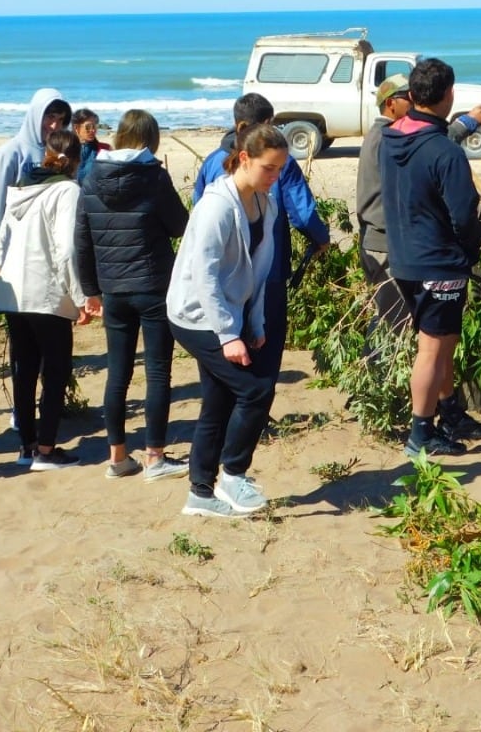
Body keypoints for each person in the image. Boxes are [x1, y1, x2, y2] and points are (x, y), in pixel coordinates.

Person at [168, 124, 287, 518]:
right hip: (194, 315)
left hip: (229, 312)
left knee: (217, 401)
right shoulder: (217, 206)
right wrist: (227, 334)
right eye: (269, 168)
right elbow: (204, 274)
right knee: (255, 390)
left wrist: (253, 323)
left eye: (280, 169)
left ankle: (200, 492)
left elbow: (259, 271)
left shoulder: (265, 204)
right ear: (245, 159)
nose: (275, 177)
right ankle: (233, 474)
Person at [75, 109, 189, 481]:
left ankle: (118, 457)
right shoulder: (154, 176)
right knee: (157, 372)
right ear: (150, 139)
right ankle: (155, 457)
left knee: (118, 373)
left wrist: (90, 289)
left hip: (113, 288)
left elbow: (82, 239)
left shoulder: (92, 175)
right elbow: (178, 226)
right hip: (153, 284)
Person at [381, 57, 481, 456]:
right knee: (432, 347)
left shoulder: (390, 138)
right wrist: (472, 243)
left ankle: (448, 409)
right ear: (449, 95)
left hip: (404, 257)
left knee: (444, 340)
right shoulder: (445, 152)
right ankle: (420, 433)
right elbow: (463, 215)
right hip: (438, 260)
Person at [193, 93, 329, 381]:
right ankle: (255, 411)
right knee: (263, 347)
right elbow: (302, 213)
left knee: (225, 347)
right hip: (267, 272)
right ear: (265, 124)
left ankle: (226, 414)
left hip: (222, 275)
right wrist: (320, 238)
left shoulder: (212, 162)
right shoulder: (280, 163)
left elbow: (197, 216)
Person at [356, 74, 481, 333]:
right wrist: (467, 122)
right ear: (391, 104)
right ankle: (378, 372)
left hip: (384, 241)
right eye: (409, 98)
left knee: (398, 320)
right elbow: (433, 145)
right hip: (385, 242)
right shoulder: (388, 136)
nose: (415, 104)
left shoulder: (389, 135)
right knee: (392, 323)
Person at [0, 130, 89, 471]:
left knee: (25, 369)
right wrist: (80, 297)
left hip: (13, 291)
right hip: (45, 293)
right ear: (76, 161)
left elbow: (1, 240)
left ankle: (27, 446)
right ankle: (46, 450)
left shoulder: (22, 185)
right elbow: (67, 249)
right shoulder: (67, 190)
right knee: (56, 369)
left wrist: (2, 269)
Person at [0, 88, 71, 253]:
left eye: (60, 120)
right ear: (36, 115)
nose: (54, 126)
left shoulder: (60, 153)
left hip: (49, 243)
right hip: (16, 243)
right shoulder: (10, 152)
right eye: (50, 117)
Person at [72, 108, 109, 184]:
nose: (93, 130)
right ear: (76, 128)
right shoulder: (66, 150)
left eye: (95, 126)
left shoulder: (105, 149)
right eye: (88, 127)